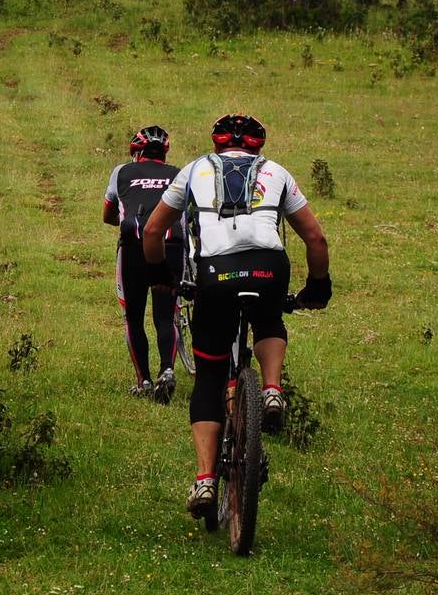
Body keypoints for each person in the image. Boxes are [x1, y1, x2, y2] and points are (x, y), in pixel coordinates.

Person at [141, 113, 331, 517]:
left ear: (217, 143)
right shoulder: (277, 172)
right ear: (258, 146)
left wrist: (159, 275)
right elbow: (316, 237)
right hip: (268, 267)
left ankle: (205, 482)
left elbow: (153, 231)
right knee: (269, 320)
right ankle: (272, 389)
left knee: (210, 376)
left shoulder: (194, 169)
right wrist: (318, 286)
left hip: (215, 274)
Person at [103, 125, 185, 404]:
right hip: (170, 245)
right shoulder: (179, 174)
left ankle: (144, 381)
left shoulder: (121, 172)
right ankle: (167, 370)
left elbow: (108, 214)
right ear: (164, 153)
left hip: (133, 248)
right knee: (166, 315)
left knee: (134, 317)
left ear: (136, 153)